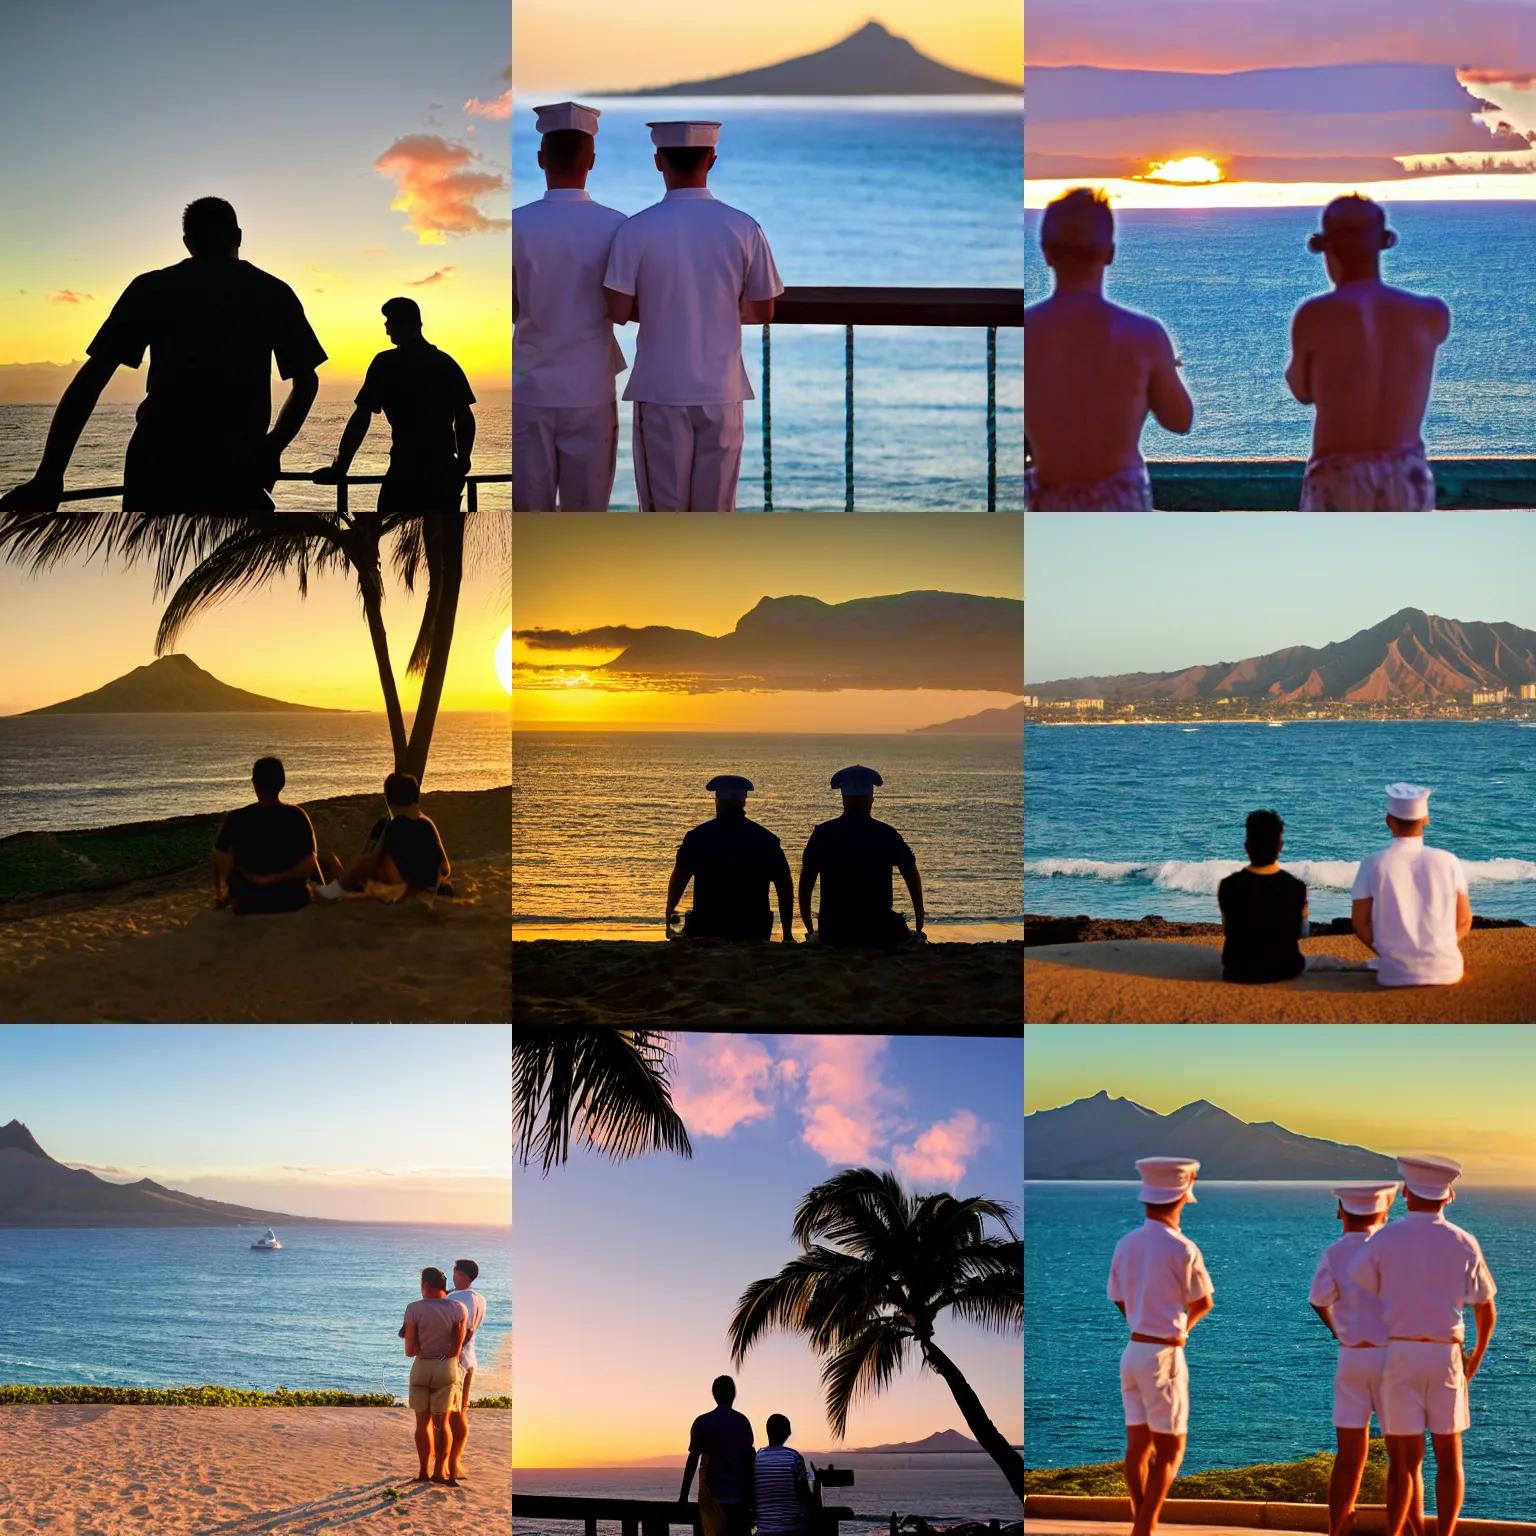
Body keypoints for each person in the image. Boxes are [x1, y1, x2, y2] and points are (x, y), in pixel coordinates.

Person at [1, 197, 325, 513]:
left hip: (156, 464)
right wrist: (272, 447)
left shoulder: (152, 288)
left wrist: (50, 474)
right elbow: (306, 383)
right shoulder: (272, 292)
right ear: (238, 236)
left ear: (187, 242)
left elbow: (92, 379)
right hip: (237, 466)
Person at [604, 121, 783, 511]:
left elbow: (616, 310)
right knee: (716, 509)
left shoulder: (636, 229)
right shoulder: (744, 227)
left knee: (663, 512)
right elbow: (763, 308)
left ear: (658, 161)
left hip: (660, 389)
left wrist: (659, 307)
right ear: (712, 159)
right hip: (722, 390)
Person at [1346, 1156, 1496, 1536]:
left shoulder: (1385, 1239)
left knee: (1403, 1463)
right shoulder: (1464, 1241)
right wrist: (1473, 1360)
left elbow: (1362, 1291)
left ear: (1406, 1193)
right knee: (1449, 1460)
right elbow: (1486, 1309)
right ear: (1449, 1196)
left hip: (1399, 1354)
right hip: (1446, 1354)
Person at [1024, 187, 1193, 511]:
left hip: (1048, 502)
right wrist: (1160, 372)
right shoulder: (1143, 335)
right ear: (1110, 253)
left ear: (1046, 252)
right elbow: (1179, 420)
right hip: (1120, 503)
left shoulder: (1025, 333)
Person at [1286, 195, 1450, 511]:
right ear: (1384, 242)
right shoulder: (1431, 314)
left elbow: (1303, 392)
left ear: (1326, 248)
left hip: (1336, 471)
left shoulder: (1314, 315)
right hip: (1406, 471)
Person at [513, 102, 628, 511]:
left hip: (530, 388)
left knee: (528, 509)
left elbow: (510, 307)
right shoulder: (618, 226)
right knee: (588, 512)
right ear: (591, 161)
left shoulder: (516, 225)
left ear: (541, 159)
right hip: (591, 387)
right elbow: (625, 307)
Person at [1309, 1182, 1425, 1536]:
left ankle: (1337, 1530)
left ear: (1341, 1213)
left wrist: (1338, 1331)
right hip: (1394, 1361)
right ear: (1384, 1213)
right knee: (1403, 1462)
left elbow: (1318, 1300)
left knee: (1348, 1459)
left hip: (1353, 1359)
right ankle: (1401, 1532)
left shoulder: (1334, 1253)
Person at [1107, 1158, 1213, 1536]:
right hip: (1164, 1355)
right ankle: (1144, 1529)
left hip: (1132, 1352)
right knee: (1171, 1451)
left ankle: (1141, 1523)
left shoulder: (1126, 1243)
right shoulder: (1183, 1248)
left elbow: (1118, 1297)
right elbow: (1203, 1301)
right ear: (1185, 1193)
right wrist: (1182, 1330)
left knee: (1138, 1447)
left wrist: (1139, 1319)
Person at [315, 297, 474, 511]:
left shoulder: (386, 363)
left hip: (404, 471)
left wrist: (340, 468)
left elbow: (361, 418)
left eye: (389, 322)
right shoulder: (445, 363)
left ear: (402, 325)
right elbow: (464, 418)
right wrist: (463, 460)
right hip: (443, 472)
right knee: (443, 539)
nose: (386, 328)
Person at [1351, 784, 1471, 986]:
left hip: (1393, 974)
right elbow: (1464, 921)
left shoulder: (1373, 863)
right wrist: (1437, 951)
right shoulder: (1449, 861)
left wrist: (1393, 956)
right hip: (1447, 971)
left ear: (1389, 821)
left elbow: (1360, 924)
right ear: (1426, 819)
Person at [799, 767, 923, 948]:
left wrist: (808, 922)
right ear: (871, 799)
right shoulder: (886, 834)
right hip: (879, 929)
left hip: (835, 930)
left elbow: (807, 879)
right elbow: (910, 873)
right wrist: (919, 917)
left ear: (843, 799)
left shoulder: (823, 833)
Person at [665, 775, 794, 942]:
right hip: (754, 928)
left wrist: (669, 913)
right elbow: (784, 887)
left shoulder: (697, 837)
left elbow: (678, 880)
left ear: (718, 801)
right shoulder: (767, 839)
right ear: (744, 802)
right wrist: (787, 933)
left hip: (707, 927)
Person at [212, 756, 338, 915]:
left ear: (254, 783)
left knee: (221, 851)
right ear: (282, 783)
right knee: (324, 859)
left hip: (248, 901)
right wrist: (275, 879)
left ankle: (222, 897)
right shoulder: (297, 816)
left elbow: (219, 855)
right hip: (292, 900)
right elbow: (309, 862)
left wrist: (226, 890)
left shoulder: (237, 817)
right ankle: (335, 894)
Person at [315, 772, 451, 904]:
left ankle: (331, 893)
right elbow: (445, 868)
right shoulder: (427, 824)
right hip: (423, 892)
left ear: (389, 800)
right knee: (330, 861)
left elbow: (369, 862)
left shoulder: (396, 825)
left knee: (332, 861)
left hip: (400, 893)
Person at [1218, 809, 1308, 983]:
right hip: (1285, 968)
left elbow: (1227, 929)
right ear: (1280, 846)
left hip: (1238, 970)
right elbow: (1301, 932)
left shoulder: (1228, 885)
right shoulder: (1297, 887)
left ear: (1247, 846)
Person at [403, 1265, 468, 1486]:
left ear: (427, 1285)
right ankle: (440, 1473)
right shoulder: (458, 1308)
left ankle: (423, 1472)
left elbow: (409, 1351)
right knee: (443, 1424)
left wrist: (422, 1349)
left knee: (422, 1425)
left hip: (422, 1368)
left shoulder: (413, 1309)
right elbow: (456, 1348)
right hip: (446, 1368)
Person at [680, 1374, 756, 1536]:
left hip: (710, 1505)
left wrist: (683, 1497)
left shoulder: (703, 1422)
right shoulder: (743, 1422)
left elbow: (693, 1460)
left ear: (714, 1395)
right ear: (734, 1395)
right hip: (739, 1504)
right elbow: (750, 1463)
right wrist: (753, 1502)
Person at [446, 1259, 486, 1482]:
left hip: (456, 1362)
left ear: (460, 1273)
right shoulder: (479, 1298)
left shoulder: (455, 1299)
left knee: (449, 1415)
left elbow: (465, 1332)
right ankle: (455, 1462)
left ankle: (450, 1465)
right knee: (461, 1411)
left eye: (454, 1272)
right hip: (471, 1360)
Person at [754, 1414, 816, 1536]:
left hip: (764, 1531)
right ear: (786, 1433)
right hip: (794, 1529)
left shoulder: (757, 1458)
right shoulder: (794, 1457)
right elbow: (803, 1494)